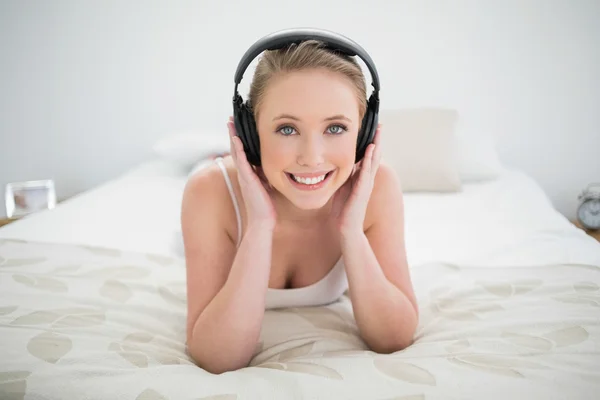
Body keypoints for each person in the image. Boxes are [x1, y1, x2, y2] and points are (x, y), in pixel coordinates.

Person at [181, 35, 419, 374]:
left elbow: (394, 337)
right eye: (287, 129)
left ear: (364, 133)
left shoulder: (378, 186)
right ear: (251, 134)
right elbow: (217, 356)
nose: (312, 157)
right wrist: (260, 225)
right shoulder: (209, 192)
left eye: (335, 128)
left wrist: (351, 231)